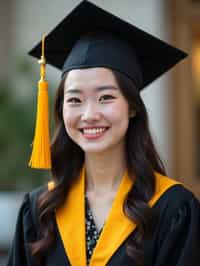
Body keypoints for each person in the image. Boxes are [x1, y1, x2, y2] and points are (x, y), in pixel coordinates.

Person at [7, 1, 200, 266]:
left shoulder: (173, 208)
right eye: (74, 100)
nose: (89, 114)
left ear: (132, 106)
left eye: (105, 97)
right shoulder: (40, 210)